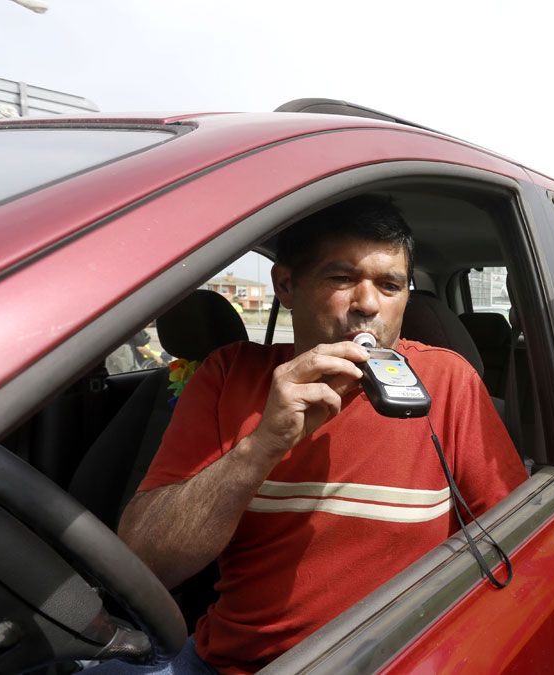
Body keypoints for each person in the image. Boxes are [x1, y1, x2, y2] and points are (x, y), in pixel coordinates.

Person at [109, 195, 528, 673]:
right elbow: (145, 565)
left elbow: (517, 549)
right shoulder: (229, 374)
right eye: (342, 278)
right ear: (286, 285)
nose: (369, 304)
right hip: (222, 663)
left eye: (390, 285)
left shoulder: (449, 382)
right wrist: (261, 447)